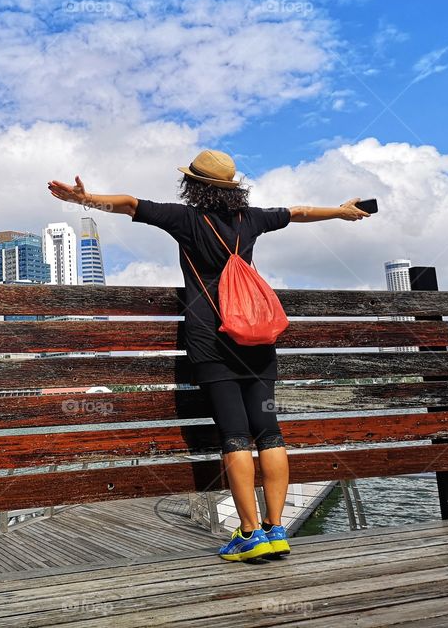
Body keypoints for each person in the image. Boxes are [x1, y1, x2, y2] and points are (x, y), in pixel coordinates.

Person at [48, 148, 370, 562]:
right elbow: (299, 212)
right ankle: (276, 529)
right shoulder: (253, 220)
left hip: (211, 339)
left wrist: (85, 200)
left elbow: (129, 204)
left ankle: (249, 534)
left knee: (234, 434)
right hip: (257, 337)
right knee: (268, 431)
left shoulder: (185, 219)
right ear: (233, 189)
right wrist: (341, 212)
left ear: (193, 185)